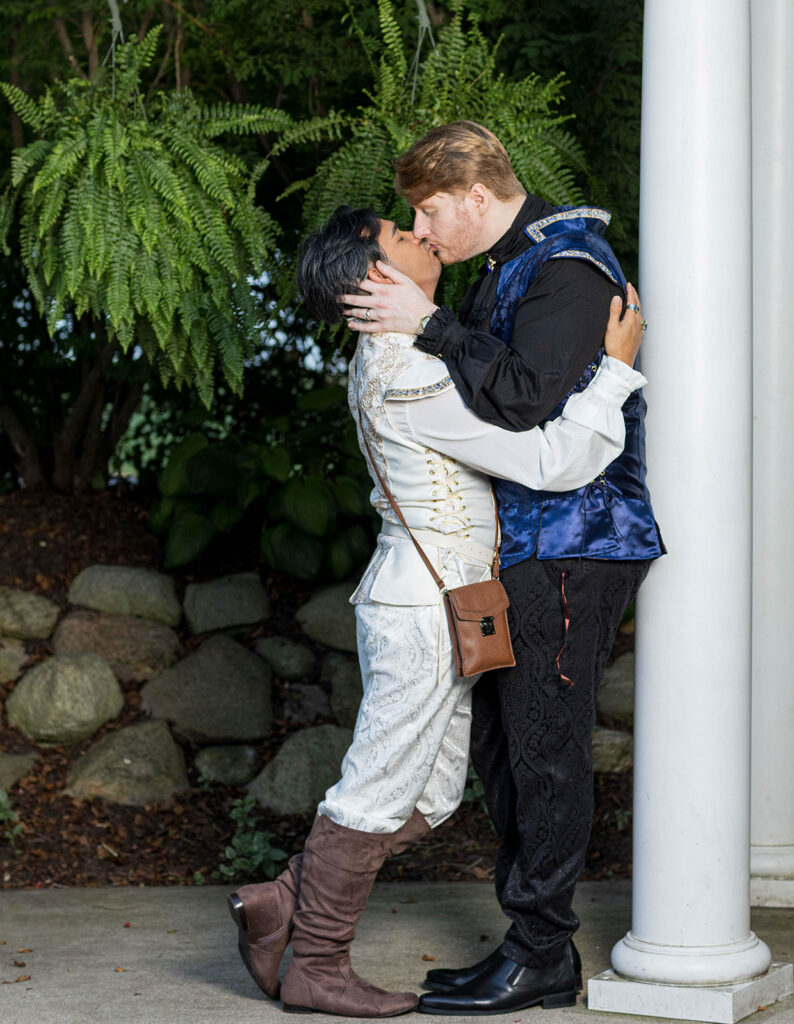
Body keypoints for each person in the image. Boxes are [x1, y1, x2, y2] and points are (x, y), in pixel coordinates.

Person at [227, 205, 646, 1018]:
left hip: (447, 604)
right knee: (377, 790)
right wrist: (617, 371)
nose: (421, 236)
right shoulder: (410, 373)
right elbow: (552, 464)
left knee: (432, 797)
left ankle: (281, 900)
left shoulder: (400, 352)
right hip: (422, 612)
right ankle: (315, 963)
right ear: (376, 276)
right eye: (401, 236)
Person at [340, 121, 663, 1016]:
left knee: (546, 748)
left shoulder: (568, 269)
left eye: (429, 209)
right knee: (507, 748)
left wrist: (432, 323)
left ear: (477, 195)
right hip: (516, 549)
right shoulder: (506, 267)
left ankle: (542, 955)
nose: (424, 226)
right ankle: (528, 942)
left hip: (571, 543)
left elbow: (525, 401)